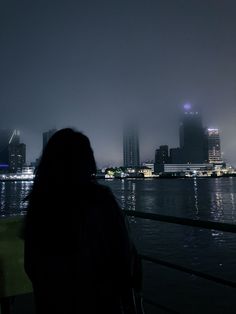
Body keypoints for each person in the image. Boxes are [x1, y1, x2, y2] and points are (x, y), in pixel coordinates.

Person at [24, 128, 142, 314]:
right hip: (100, 304)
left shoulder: (40, 203)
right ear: (87, 161)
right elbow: (123, 257)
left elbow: (31, 265)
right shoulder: (101, 200)